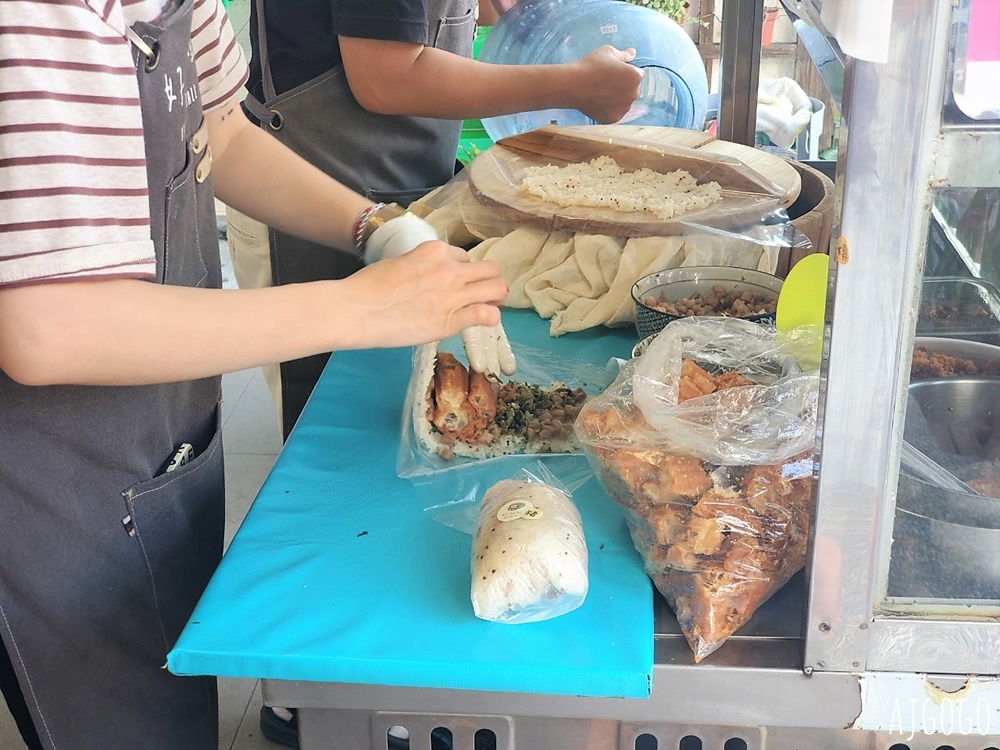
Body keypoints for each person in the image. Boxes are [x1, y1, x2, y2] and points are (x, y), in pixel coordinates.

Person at [0, 1, 508, 748]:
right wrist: (357, 309)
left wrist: (373, 228)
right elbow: (47, 329)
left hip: (156, 435)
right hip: (53, 477)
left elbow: (221, 129)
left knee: (171, 678)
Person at [227, 0, 645, 438]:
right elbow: (385, 78)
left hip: (391, 196)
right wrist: (575, 84)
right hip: (307, 196)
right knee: (348, 435)